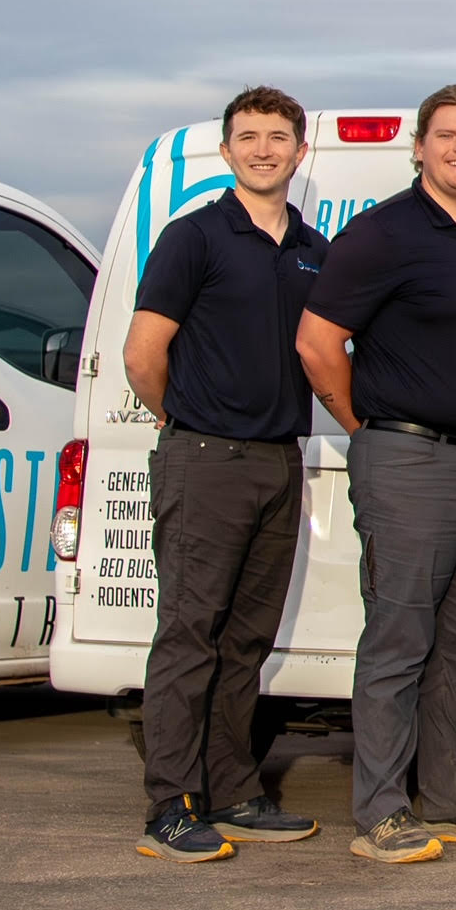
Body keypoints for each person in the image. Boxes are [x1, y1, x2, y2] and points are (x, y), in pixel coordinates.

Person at [297, 84, 456, 865]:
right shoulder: (383, 233)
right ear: (420, 147)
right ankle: (382, 811)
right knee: (399, 640)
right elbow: (316, 343)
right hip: (409, 461)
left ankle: (453, 796)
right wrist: (367, 430)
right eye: (446, 135)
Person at [123, 85, 327, 863]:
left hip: (279, 460)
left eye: (277, 137)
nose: (263, 150)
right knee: (190, 635)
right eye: (248, 137)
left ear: (300, 151)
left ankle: (233, 791)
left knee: (246, 640)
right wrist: (190, 419)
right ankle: (170, 806)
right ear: (226, 150)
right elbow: (144, 355)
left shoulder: (311, 248)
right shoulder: (194, 237)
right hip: (205, 459)